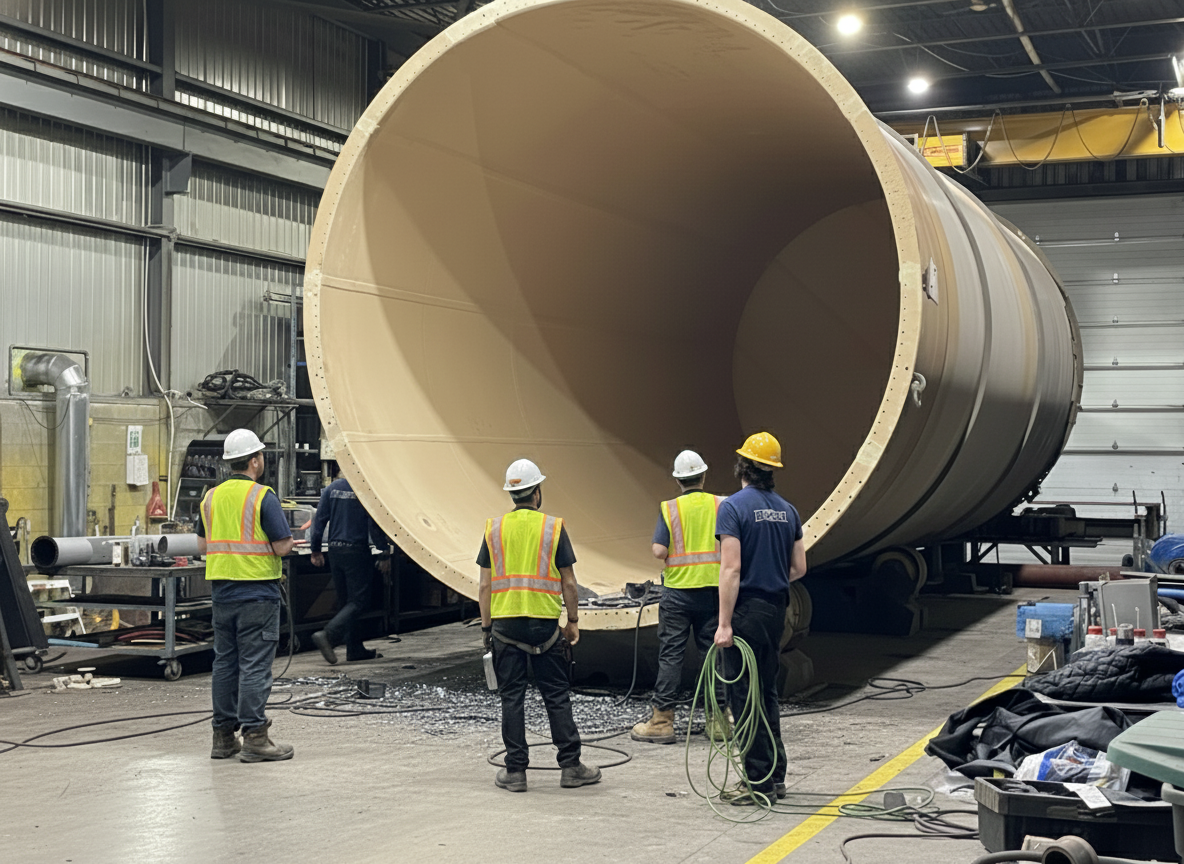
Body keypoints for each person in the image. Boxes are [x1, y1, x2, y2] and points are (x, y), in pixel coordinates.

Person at [477, 458, 601, 793]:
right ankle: (571, 767)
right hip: (545, 628)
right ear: (538, 492)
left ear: (512, 494)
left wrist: (487, 629)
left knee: (511, 698)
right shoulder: (553, 528)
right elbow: (570, 582)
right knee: (556, 696)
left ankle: (515, 772)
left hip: (505, 628)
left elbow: (485, 585)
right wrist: (572, 621)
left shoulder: (494, 529)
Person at [713, 432, 807, 805]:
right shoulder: (789, 510)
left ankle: (758, 782)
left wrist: (723, 624)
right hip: (776, 610)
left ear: (742, 468)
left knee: (744, 697)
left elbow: (731, 569)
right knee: (766, 693)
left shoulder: (732, 508)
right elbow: (799, 567)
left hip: (747, 611)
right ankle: (775, 775)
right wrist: (771, 573)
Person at [196, 428, 295, 763]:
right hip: (257, 594)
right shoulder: (262, 496)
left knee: (225, 663)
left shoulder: (210, 497)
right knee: (254, 666)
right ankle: (254, 736)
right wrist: (290, 539)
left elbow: (201, 545)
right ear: (255, 460)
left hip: (222, 594)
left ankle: (223, 738)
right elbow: (281, 545)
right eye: (261, 455)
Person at [632, 450, 730, 745]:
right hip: (713, 591)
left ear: (678, 480)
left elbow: (659, 551)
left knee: (671, 656)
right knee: (713, 655)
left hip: (677, 593)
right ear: (703, 475)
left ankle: (662, 721)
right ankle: (719, 722)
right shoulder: (720, 505)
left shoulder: (670, 508)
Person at [309, 463, 392, 664]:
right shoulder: (364, 491)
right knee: (360, 601)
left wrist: (316, 550)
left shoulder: (330, 489)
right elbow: (374, 524)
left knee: (347, 602)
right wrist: (383, 552)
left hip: (335, 552)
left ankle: (354, 648)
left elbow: (318, 521)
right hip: (356, 551)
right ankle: (328, 635)